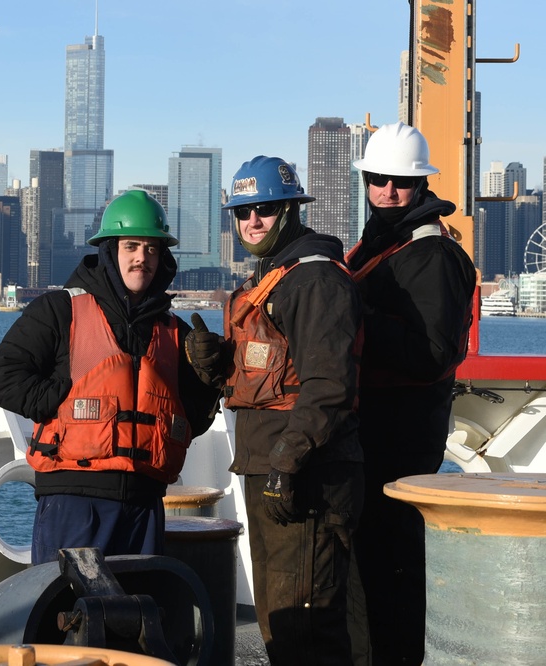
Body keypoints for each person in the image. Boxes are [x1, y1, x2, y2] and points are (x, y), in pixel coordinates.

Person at [0, 189, 221, 565]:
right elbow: (2, 377)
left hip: (144, 506)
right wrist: (62, 399)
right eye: (131, 246)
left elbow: (188, 421)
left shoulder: (175, 333)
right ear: (110, 251)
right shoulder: (60, 311)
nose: (141, 258)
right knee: (69, 615)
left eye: (152, 249)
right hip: (73, 503)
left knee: (139, 616)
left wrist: (211, 380)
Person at [218, 156, 364, 665]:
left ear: (290, 211)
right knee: (282, 623)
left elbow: (328, 385)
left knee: (305, 626)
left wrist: (287, 461)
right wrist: (219, 365)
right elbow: (273, 375)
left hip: (306, 477)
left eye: (265, 209)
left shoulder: (314, 280)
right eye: (243, 212)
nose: (252, 221)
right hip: (274, 470)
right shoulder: (276, 279)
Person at [346, 122, 477, 666]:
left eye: (400, 181)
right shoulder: (382, 244)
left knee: (392, 569)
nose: (388, 191)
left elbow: (431, 354)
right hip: (369, 429)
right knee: (369, 567)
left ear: (420, 185)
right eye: (378, 179)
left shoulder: (431, 256)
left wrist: (357, 316)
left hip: (399, 438)